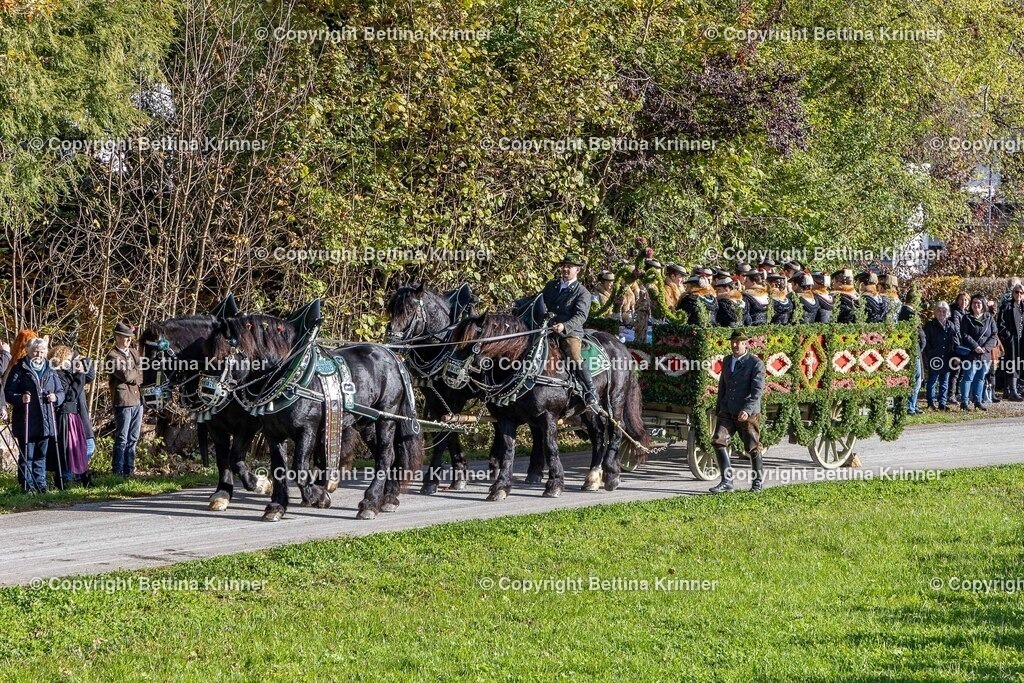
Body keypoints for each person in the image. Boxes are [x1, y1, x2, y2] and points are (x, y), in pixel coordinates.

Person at [541, 253, 602, 413]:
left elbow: (581, 316)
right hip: (547, 330)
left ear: (577, 270)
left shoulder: (582, 293)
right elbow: (538, 300)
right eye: (565, 266)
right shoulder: (551, 286)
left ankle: (590, 391)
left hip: (569, 333)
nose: (566, 269)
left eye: (570, 267)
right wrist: (518, 303)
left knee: (574, 355)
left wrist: (564, 326)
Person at [4, 337, 64, 493]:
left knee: (41, 455)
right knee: (27, 456)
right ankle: (26, 486)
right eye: (36, 351)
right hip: (27, 419)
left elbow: (61, 391)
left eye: (42, 351)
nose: (39, 354)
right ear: (28, 351)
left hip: (46, 419)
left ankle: (41, 485)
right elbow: (8, 392)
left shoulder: (50, 369)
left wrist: (55, 398)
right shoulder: (19, 368)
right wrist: (20, 398)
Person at [709, 330, 766, 493]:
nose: (735, 345)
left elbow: (757, 391)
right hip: (727, 409)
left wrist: (747, 410)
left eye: (738, 342)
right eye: (733, 342)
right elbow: (723, 386)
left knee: (752, 447)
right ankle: (727, 481)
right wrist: (720, 407)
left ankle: (757, 483)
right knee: (718, 441)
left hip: (746, 412)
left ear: (745, 343)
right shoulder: (727, 360)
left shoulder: (755, 363)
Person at [50, 346, 95, 487]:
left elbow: (90, 376)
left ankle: (77, 474)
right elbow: (70, 394)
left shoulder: (69, 371)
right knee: (69, 447)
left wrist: (83, 360)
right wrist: (80, 374)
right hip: (66, 414)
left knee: (87, 446)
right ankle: (67, 478)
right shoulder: (57, 374)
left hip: (77, 413)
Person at [106, 321, 144, 477]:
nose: (128, 340)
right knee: (122, 437)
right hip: (123, 400)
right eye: (124, 337)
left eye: (130, 338)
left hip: (137, 399)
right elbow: (126, 375)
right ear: (116, 337)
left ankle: (130, 470)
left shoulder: (134, 352)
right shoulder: (112, 356)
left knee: (134, 437)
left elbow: (142, 373)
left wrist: (135, 373)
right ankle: (117, 471)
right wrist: (137, 370)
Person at [956, 294, 998, 412]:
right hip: (971, 353)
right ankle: (964, 402)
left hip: (985, 354)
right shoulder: (967, 318)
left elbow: (994, 335)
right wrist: (975, 346)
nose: (976, 305)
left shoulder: (989, 318)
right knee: (968, 377)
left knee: (980, 378)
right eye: (974, 303)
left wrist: (986, 348)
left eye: (978, 303)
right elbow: (964, 334)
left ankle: (977, 401)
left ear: (983, 305)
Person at [923, 302, 955, 410]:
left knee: (944, 381)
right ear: (935, 312)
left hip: (947, 356)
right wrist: (930, 354)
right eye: (939, 310)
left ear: (948, 312)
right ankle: (930, 402)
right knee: (932, 381)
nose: (942, 313)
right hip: (935, 357)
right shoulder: (930, 325)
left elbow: (954, 341)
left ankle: (942, 403)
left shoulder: (950, 325)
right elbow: (926, 342)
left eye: (944, 311)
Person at [996, 282, 1024, 401]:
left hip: (1021, 340)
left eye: (1021, 293)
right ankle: (1012, 391)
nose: (1018, 294)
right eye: (1016, 292)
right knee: (1011, 364)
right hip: (1011, 341)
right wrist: (1008, 336)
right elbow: (1000, 325)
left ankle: (1008, 391)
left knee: (1019, 364)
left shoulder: (1023, 307)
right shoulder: (1006, 306)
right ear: (1012, 293)